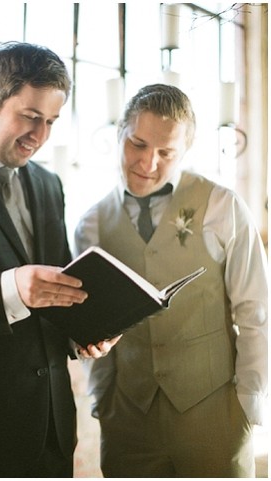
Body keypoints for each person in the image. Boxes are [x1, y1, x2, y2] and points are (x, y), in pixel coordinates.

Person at [75, 83, 268, 477]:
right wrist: (103, 402)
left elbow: (256, 310)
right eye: (138, 144)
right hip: (127, 420)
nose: (148, 162)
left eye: (166, 153)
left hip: (216, 415)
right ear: (120, 136)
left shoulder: (222, 206)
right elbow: (91, 324)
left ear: (184, 153)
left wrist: (249, 404)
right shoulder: (91, 224)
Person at [0, 41, 118, 478]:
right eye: (30, 117)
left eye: (51, 122)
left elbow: (60, 284)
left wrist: (83, 333)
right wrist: (11, 290)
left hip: (53, 430)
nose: (40, 136)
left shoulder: (48, 184)